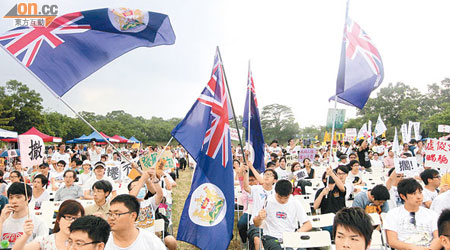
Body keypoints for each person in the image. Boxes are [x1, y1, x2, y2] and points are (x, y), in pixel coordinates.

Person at [251, 180, 312, 250]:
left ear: (290, 193)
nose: (282, 200)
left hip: (290, 237)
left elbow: (308, 224)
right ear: (275, 192)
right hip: (271, 237)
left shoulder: (295, 202)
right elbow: (256, 223)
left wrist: (296, 233)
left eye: (286, 198)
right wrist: (259, 217)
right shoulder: (267, 201)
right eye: (279, 197)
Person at [384, 178, 441, 249]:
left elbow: (438, 238)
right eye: (414, 194)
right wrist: (412, 247)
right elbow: (392, 241)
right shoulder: (393, 214)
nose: (419, 197)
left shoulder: (432, 214)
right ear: (403, 196)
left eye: (420, 193)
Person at [12, 199, 85, 250]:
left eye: (76, 218)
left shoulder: (86, 243)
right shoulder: (45, 241)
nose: (72, 222)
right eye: (68, 217)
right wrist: (26, 235)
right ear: (58, 219)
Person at [0, 183, 47, 247]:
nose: (14, 201)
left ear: (28, 198)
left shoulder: (38, 223)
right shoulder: (3, 220)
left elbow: (43, 246)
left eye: (18, 197)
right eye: (11, 197)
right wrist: (1, 220)